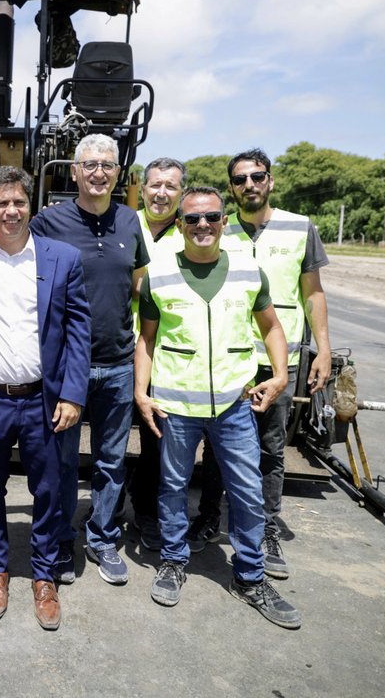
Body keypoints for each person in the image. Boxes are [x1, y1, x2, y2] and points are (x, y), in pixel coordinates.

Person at [134, 186, 301, 629]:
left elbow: (272, 327)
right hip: (175, 406)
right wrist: (141, 393)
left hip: (233, 405)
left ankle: (250, 577)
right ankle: (173, 560)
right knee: (173, 487)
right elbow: (146, 339)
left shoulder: (249, 272)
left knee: (246, 490)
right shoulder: (159, 276)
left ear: (224, 222)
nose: (202, 225)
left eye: (211, 217)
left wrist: (280, 375)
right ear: (180, 225)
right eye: (192, 219)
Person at [0, 166, 91, 631]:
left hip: (43, 400)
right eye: (1, 203)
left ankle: (44, 575)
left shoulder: (62, 258)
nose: (11, 211)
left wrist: (72, 394)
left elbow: (79, 332)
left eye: (19, 202)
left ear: (30, 205)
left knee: (49, 491)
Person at [186, 149, 331, 580]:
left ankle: (266, 528)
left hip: (276, 362)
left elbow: (313, 292)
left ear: (270, 180)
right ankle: (209, 518)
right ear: (231, 188)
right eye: (240, 179)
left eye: (257, 176)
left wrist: (323, 350)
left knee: (271, 449)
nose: (249, 184)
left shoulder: (300, 227)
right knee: (217, 448)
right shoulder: (217, 226)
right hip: (227, 360)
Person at [27, 133, 149, 586]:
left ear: (118, 173)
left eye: (107, 165)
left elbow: (137, 286)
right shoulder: (47, 222)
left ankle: (101, 537)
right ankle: (60, 539)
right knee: (60, 463)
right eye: (90, 165)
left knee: (110, 461)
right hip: (67, 368)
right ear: (75, 171)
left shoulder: (130, 221)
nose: (99, 173)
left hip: (118, 363)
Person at [126, 157, 186, 550]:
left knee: (155, 440)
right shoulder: (122, 224)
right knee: (110, 440)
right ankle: (105, 509)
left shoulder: (191, 233)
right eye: (155, 185)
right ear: (142, 188)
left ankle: (146, 513)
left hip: (162, 355)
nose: (161, 193)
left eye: (170, 186)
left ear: (181, 192)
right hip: (118, 348)